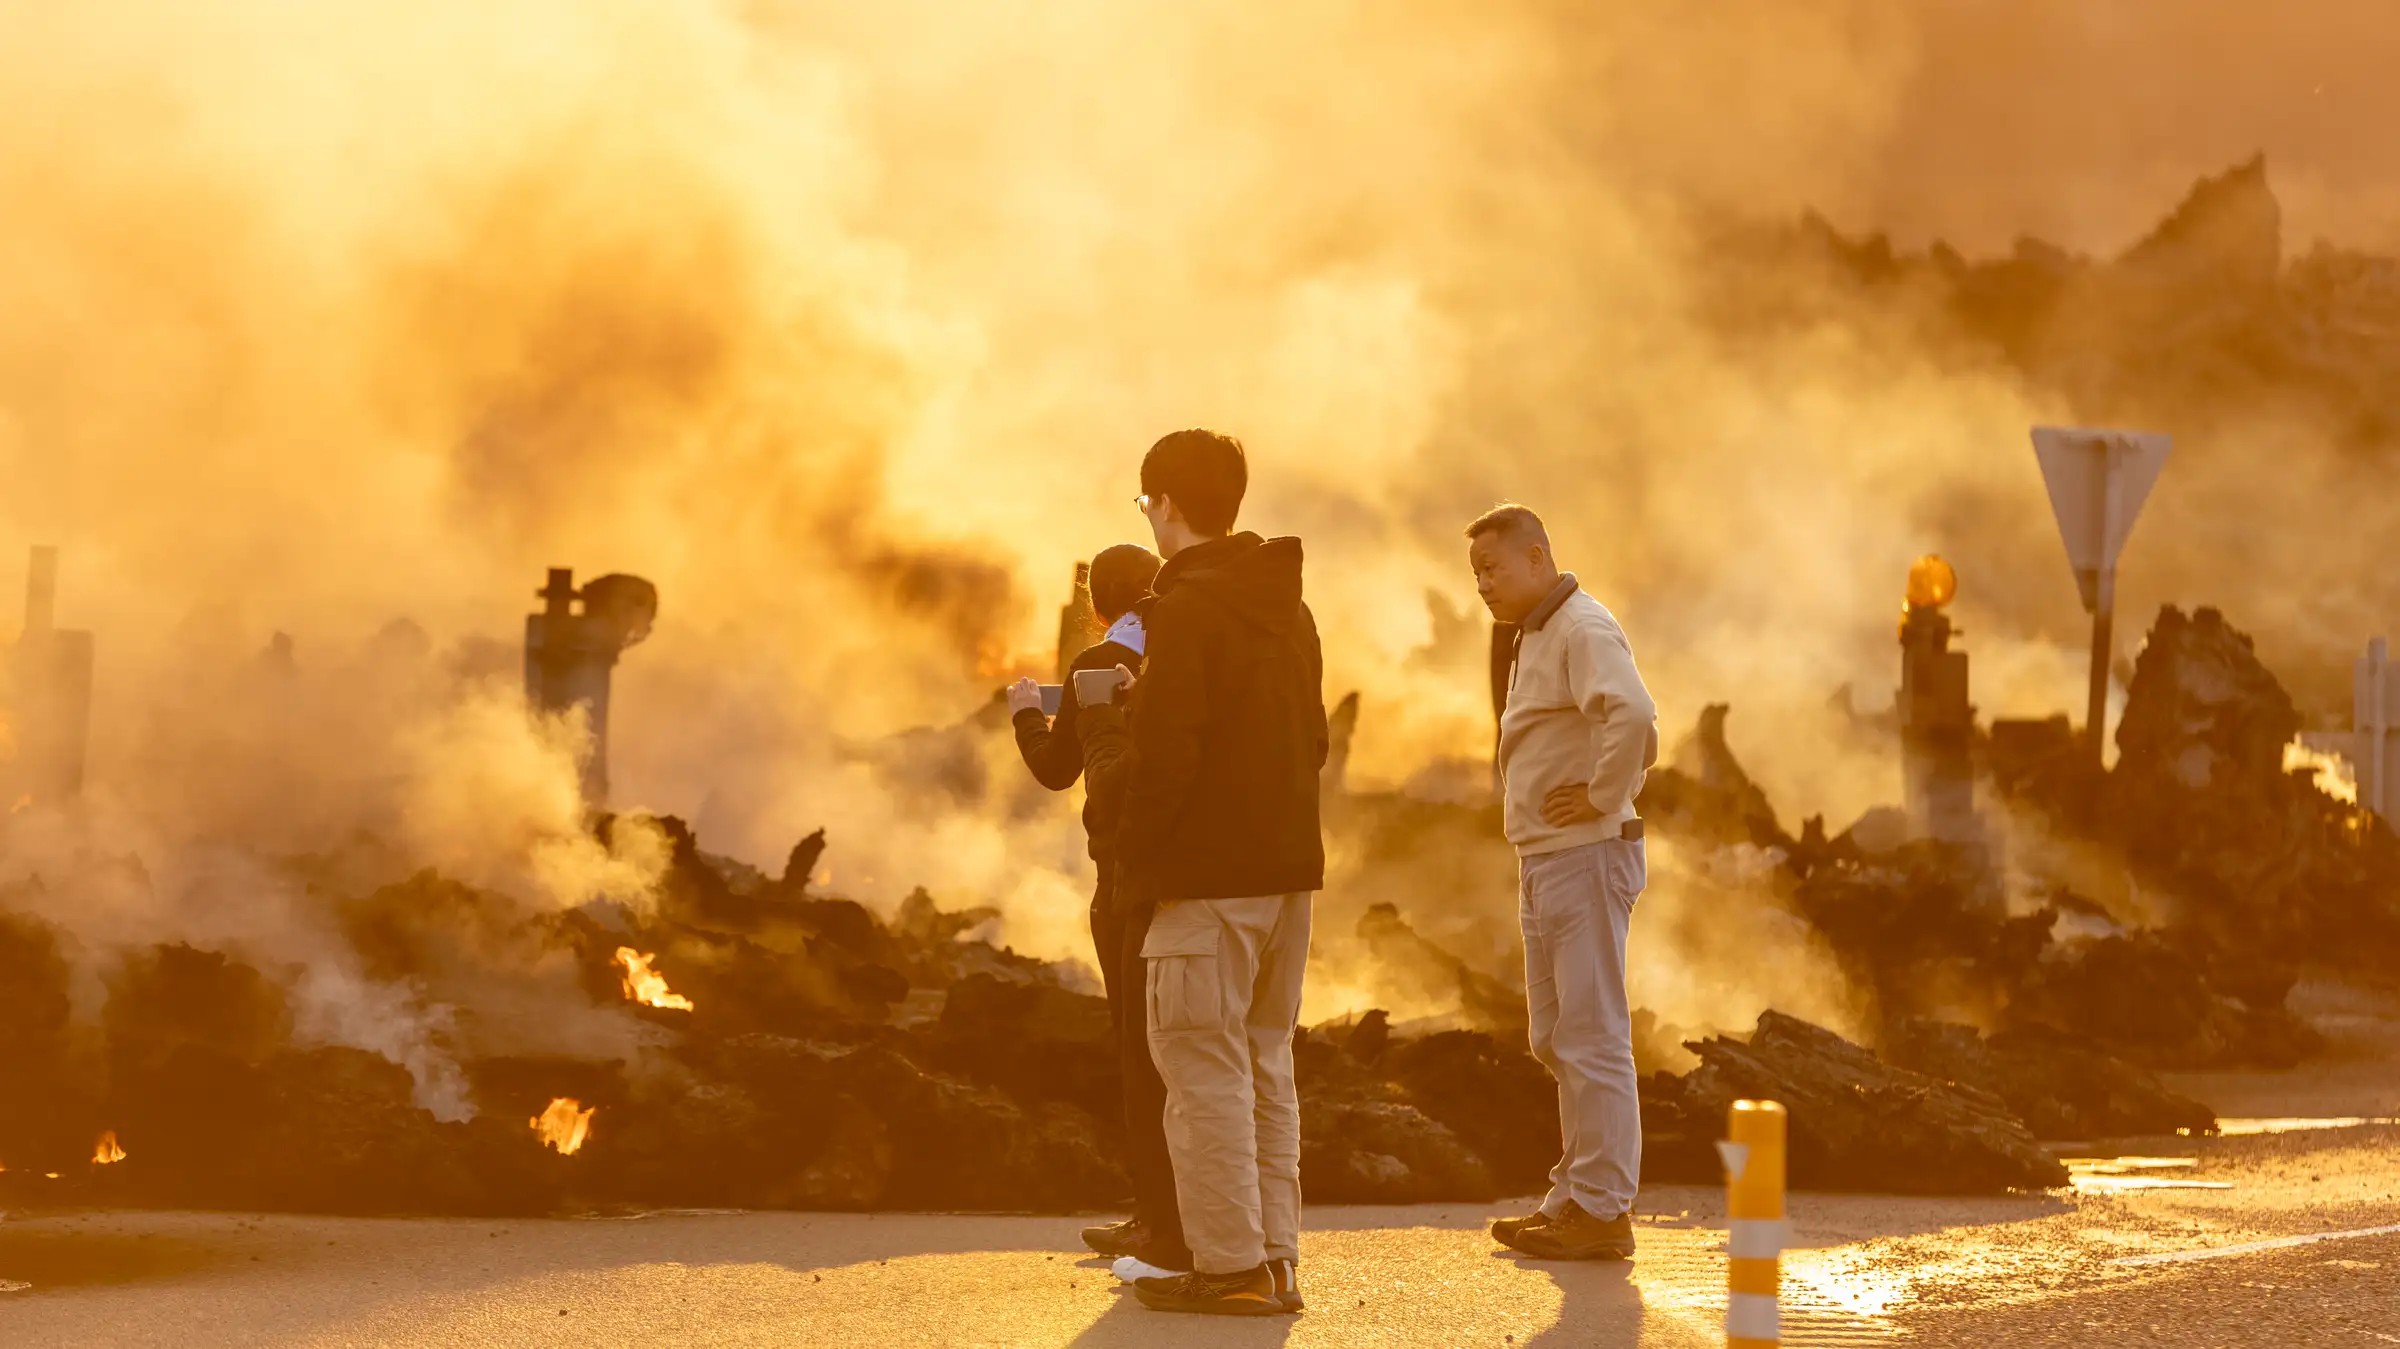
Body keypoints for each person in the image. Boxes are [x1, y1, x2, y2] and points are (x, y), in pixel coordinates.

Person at [1110, 429, 1327, 1317]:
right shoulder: (1289, 606)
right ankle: (1272, 1256)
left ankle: (1230, 1265)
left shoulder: (1189, 610)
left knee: (1200, 1073)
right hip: (1285, 876)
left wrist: (1133, 859)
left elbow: (1167, 761)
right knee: (1262, 1063)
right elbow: (1312, 741)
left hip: (1206, 882)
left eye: (1146, 503)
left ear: (1165, 503)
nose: (1148, 518)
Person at [1467, 503, 1657, 1262]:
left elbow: (1636, 717)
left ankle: (1604, 1207)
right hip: (1546, 856)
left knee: (1593, 1032)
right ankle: (1574, 1195)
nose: (1483, 584)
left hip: (1584, 853)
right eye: (1476, 572)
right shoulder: (1536, 633)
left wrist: (1605, 793)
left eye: (1494, 567)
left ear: (1538, 557)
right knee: (1556, 1035)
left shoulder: (1581, 626)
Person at [1004, 543, 1189, 1275]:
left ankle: (1158, 1217)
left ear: (1098, 606)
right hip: (1191, 874)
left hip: (1122, 881)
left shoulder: (1093, 667)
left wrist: (1025, 713)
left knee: (1138, 1056)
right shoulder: (1182, 653)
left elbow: (1056, 771)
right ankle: (1199, 1212)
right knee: (1191, 1053)